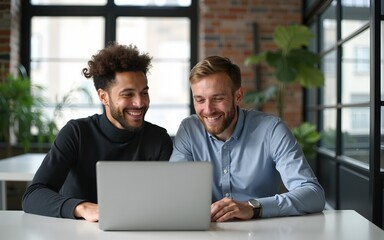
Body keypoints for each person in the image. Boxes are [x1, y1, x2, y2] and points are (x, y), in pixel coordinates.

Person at [22, 42, 173, 222]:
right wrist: (83, 208)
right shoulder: (76, 133)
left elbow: (169, 200)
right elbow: (33, 196)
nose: (140, 103)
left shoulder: (158, 138)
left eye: (144, 93)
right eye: (128, 94)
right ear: (103, 97)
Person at [170, 56, 325, 222]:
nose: (208, 110)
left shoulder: (271, 130)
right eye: (200, 99)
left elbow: (313, 194)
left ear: (238, 96)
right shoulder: (189, 130)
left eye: (218, 98)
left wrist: (253, 207)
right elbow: (172, 191)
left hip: (261, 233)